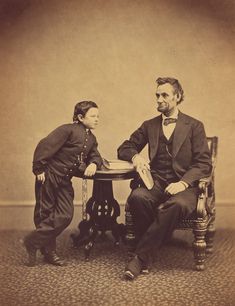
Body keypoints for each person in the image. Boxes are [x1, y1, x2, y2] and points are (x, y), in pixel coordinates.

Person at [117, 77, 212, 280]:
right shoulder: (149, 125)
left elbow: (204, 163)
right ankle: (154, 244)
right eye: (157, 95)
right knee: (138, 197)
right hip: (157, 182)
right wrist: (136, 157)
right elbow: (124, 147)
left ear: (177, 97)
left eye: (164, 95)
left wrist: (184, 183)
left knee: (176, 204)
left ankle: (140, 258)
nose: (159, 99)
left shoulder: (195, 126)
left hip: (185, 186)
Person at [24, 101, 102, 267]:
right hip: (49, 176)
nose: (97, 119)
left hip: (64, 180)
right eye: (93, 116)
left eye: (98, 116)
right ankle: (49, 252)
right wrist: (39, 170)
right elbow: (44, 146)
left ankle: (32, 241)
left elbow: (95, 156)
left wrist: (94, 164)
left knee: (65, 215)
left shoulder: (91, 138)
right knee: (45, 213)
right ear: (81, 117)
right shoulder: (67, 130)